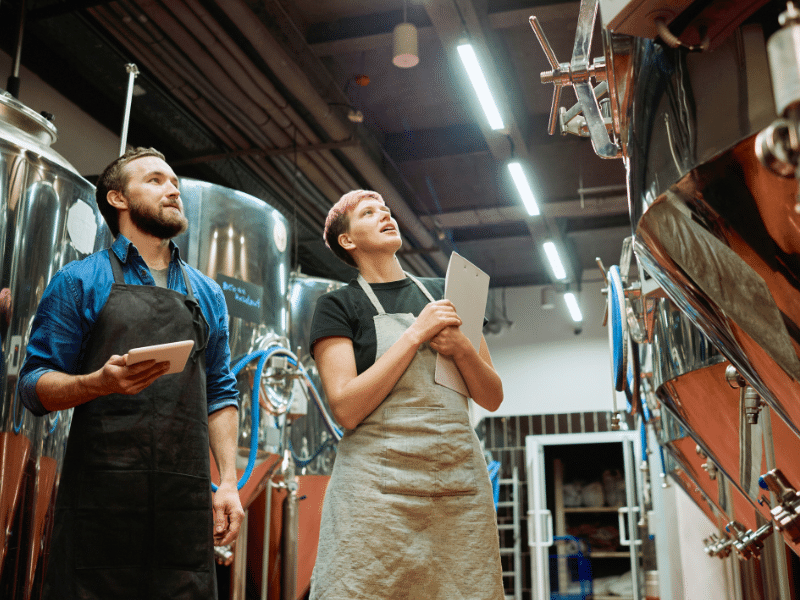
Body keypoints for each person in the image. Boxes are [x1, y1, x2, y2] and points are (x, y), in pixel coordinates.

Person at [17, 147, 244, 600]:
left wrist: (230, 483)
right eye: (156, 180)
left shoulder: (207, 293)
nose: (173, 189)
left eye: (174, 182)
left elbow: (219, 392)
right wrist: (96, 384)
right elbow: (32, 386)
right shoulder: (79, 280)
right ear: (118, 199)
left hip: (183, 504)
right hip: (102, 500)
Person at [308, 189, 505, 599]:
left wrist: (462, 349)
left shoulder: (448, 292)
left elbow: (492, 396)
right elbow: (345, 407)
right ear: (348, 240)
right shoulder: (337, 307)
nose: (385, 215)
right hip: (374, 496)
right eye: (368, 213)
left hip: (457, 491)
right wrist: (415, 334)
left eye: (386, 210)